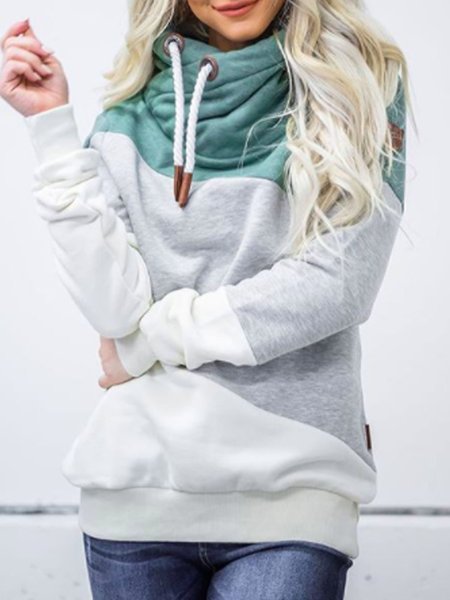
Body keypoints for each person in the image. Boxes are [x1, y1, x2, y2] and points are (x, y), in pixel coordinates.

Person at [0, 0, 413, 598]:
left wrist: (145, 343)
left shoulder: (359, 87)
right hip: (133, 501)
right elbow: (113, 309)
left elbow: (339, 284)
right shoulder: (127, 115)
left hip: (291, 497)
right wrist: (52, 129)